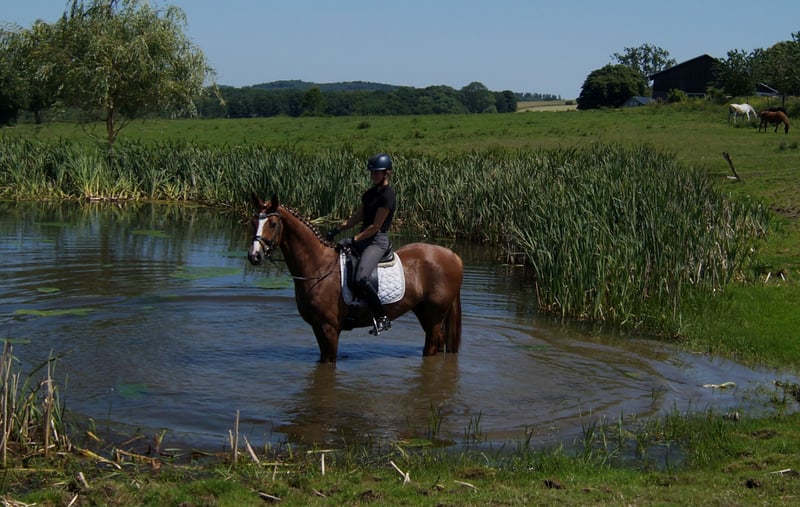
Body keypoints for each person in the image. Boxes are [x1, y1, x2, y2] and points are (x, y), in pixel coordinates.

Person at [326, 153, 396, 335]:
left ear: (386, 173)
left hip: (377, 240)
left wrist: (353, 240)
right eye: (372, 173)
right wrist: (336, 230)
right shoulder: (369, 194)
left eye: (377, 173)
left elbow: (375, 226)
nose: (374, 176)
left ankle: (382, 317)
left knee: (361, 278)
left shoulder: (388, 196)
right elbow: (357, 218)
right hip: (364, 237)